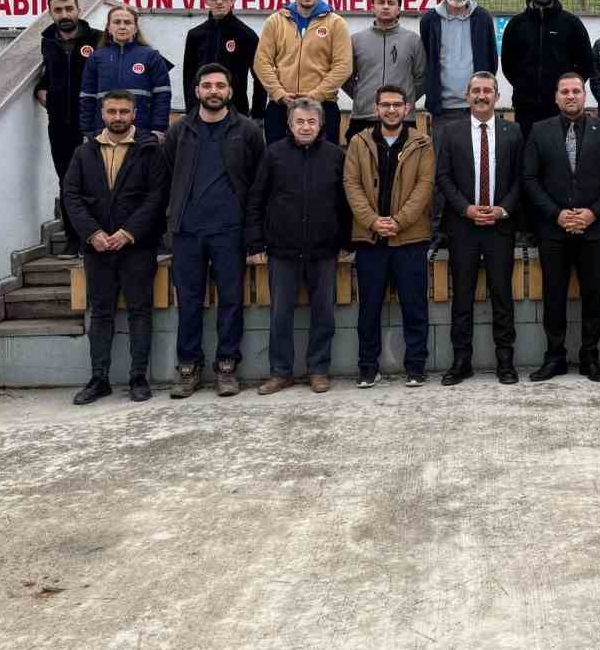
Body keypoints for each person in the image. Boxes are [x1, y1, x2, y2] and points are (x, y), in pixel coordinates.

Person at [162, 64, 266, 399]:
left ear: (230, 92)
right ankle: (188, 368)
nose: (213, 91)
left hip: (229, 231)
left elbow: (257, 186)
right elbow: (165, 179)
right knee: (189, 301)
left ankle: (226, 367)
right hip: (187, 231)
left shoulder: (247, 130)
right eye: (207, 85)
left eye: (220, 85)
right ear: (196, 91)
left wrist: (253, 235)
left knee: (231, 301)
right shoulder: (180, 131)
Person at [62, 90, 167, 405]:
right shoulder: (85, 152)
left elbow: (156, 196)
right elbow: (71, 194)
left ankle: (138, 377)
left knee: (139, 311)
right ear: (102, 113)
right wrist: (92, 233)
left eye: (124, 111)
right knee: (102, 313)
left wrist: (129, 232)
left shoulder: (150, 150)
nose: (118, 117)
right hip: (98, 247)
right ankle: (99, 379)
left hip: (137, 246)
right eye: (112, 111)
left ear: (134, 113)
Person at [522, 72, 600, 382]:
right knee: (554, 295)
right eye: (564, 91)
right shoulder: (539, 131)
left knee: (594, 296)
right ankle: (554, 357)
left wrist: (594, 214)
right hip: (553, 230)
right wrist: (556, 214)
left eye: (576, 91)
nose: (570, 96)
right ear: (556, 97)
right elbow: (529, 178)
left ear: (585, 96)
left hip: (593, 230)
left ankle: (590, 357)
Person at [245, 97, 350, 395]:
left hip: (324, 249)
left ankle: (318, 369)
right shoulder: (273, 154)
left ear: (321, 124)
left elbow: (344, 204)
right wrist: (255, 243)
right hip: (282, 249)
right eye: (300, 121)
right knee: (280, 314)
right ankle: (281, 372)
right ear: (290, 125)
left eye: (311, 121)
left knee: (323, 313)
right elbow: (256, 200)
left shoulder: (335, 156)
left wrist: (344, 241)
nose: (306, 127)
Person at [434, 72, 524, 385]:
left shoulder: (513, 132)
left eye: (487, 90)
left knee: (502, 295)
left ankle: (505, 360)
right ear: (467, 95)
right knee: (462, 296)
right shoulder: (450, 132)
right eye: (476, 90)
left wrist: (502, 210)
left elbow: (519, 179)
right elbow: (443, 177)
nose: (481, 95)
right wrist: (466, 209)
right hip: (463, 226)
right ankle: (462, 361)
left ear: (497, 96)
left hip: (500, 226)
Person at [343, 84, 435, 388]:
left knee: (414, 305)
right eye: (386, 105)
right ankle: (368, 367)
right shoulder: (359, 142)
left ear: (408, 109)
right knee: (369, 307)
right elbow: (352, 185)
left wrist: (397, 221)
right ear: (376, 108)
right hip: (371, 239)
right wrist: (373, 222)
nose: (392, 110)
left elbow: (424, 187)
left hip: (409, 238)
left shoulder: (422, 143)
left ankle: (416, 366)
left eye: (397, 105)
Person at [419, 0, 499, 235]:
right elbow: (429, 61)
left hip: (476, 109)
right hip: (444, 110)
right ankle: (440, 229)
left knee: (480, 168)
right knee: (442, 171)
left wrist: (482, 98)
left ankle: (480, 222)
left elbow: (491, 60)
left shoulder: (483, 17)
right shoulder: (430, 19)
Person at [253, 0, 353, 145]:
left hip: (323, 106)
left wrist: (316, 95)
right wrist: (280, 94)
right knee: (279, 166)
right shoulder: (275, 22)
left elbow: (343, 66)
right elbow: (262, 62)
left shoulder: (336, 23)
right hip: (281, 106)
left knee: (323, 166)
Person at [35, 0, 102, 253]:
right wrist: (41, 89)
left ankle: (95, 237)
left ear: (78, 10)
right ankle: (74, 239)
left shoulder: (97, 39)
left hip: (92, 124)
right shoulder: (48, 41)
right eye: (58, 10)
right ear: (51, 13)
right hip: (59, 124)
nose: (64, 15)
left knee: (94, 181)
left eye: (68, 9)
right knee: (67, 181)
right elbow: (47, 73)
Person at [500, 0, 593, 142]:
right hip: (526, 109)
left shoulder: (571, 23)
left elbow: (586, 64)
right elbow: (508, 66)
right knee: (529, 161)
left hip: (561, 110)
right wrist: (525, 86)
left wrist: (566, 92)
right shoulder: (516, 25)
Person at [345, 0, 426, 142]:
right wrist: (362, 96)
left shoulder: (413, 40)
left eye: (391, 3)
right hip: (364, 118)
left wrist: (401, 103)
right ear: (372, 7)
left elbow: (421, 78)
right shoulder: (356, 40)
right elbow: (346, 77)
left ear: (399, 9)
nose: (386, 7)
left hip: (403, 119)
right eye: (381, 2)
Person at [79, 4, 173, 138]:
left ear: (135, 28)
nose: (122, 26)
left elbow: (162, 95)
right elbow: (87, 97)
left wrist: (158, 129)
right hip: (103, 132)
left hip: (142, 132)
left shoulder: (151, 56)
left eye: (128, 22)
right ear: (109, 28)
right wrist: (87, 130)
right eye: (117, 22)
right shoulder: (96, 57)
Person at [181, 0, 265, 118]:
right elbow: (188, 77)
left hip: (236, 112)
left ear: (232, 0)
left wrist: (257, 115)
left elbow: (260, 78)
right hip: (201, 113)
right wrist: (191, 110)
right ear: (206, 1)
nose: (219, 1)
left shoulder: (246, 35)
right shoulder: (195, 35)